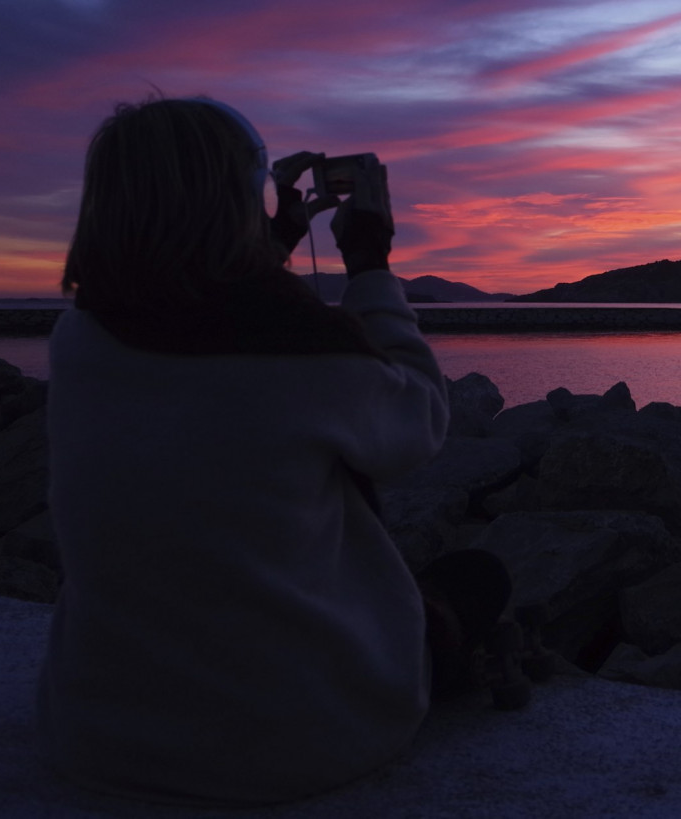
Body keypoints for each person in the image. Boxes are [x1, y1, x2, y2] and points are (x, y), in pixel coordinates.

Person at [38, 96, 467, 805]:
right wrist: (369, 265)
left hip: (97, 734)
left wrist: (276, 238)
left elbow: (191, 305)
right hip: (297, 742)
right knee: (470, 579)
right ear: (241, 195)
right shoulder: (299, 351)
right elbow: (419, 420)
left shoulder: (78, 340)